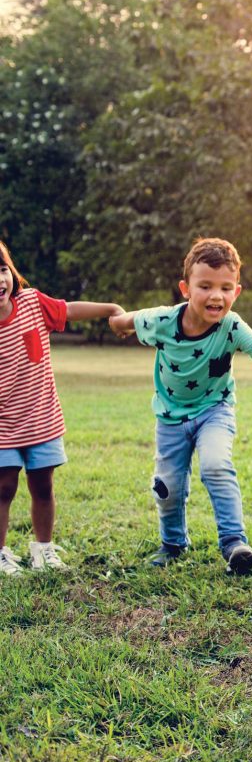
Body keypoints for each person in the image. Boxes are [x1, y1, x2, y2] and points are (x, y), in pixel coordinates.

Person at [111, 238, 252, 575]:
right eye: (205, 286)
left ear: (237, 291)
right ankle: (173, 544)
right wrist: (118, 323)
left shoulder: (231, 325)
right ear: (185, 288)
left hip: (214, 411)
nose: (215, 296)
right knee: (167, 487)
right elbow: (125, 320)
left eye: (225, 287)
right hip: (170, 417)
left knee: (217, 465)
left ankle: (234, 543)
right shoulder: (162, 321)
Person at [0, 240, 124, 576]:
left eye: (1, 270)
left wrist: (110, 308)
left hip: (40, 418)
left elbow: (68, 309)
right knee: (3, 487)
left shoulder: (31, 303)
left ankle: (43, 549)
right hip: (2, 427)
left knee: (43, 485)